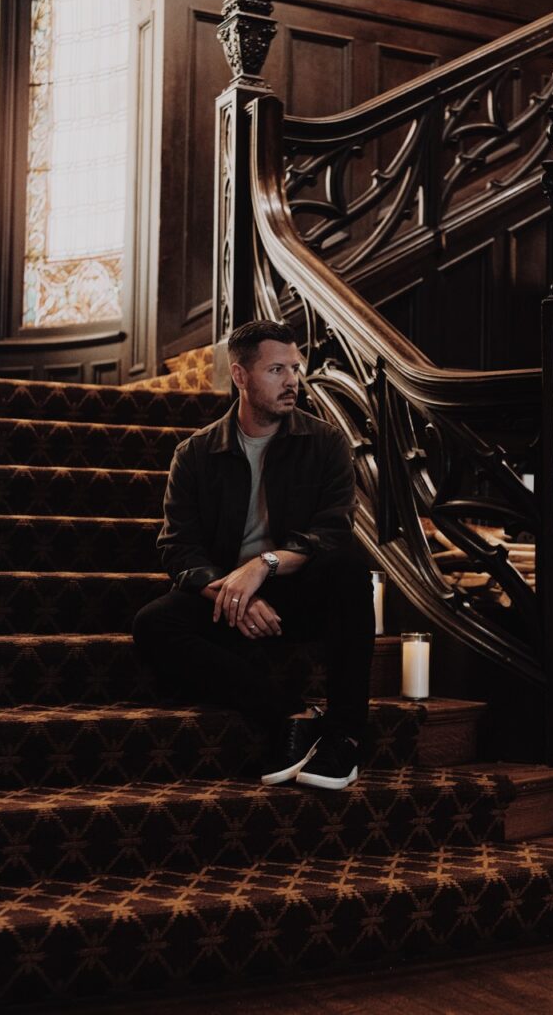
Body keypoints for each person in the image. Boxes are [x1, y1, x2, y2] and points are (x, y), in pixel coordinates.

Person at [132, 320, 374, 789]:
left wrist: (261, 567)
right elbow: (178, 547)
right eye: (276, 369)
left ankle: (345, 737)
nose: (292, 382)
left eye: (296, 369)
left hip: (296, 590)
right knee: (153, 623)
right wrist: (233, 591)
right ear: (240, 376)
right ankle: (293, 713)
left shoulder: (324, 442)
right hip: (227, 596)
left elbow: (331, 532)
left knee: (349, 571)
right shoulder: (195, 453)